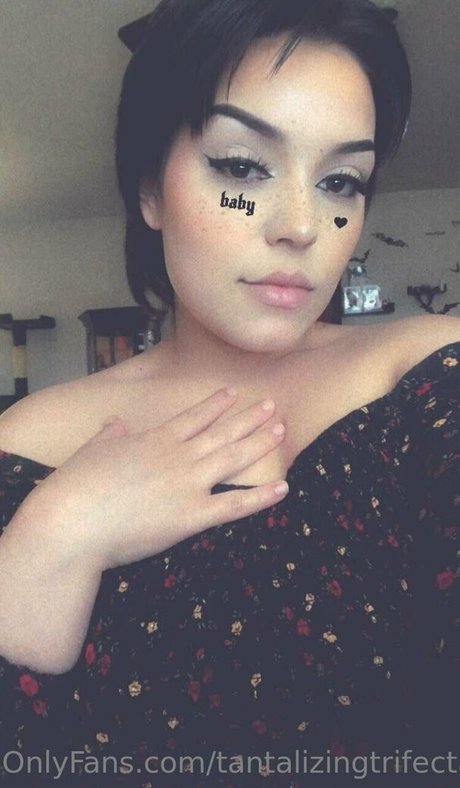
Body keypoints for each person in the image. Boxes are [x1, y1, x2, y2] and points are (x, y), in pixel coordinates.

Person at [0, 0, 459, 785]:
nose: (301, 225)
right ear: (150, 188)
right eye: (243, 168)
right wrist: (52, 537)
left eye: (341, 180)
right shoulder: (27, 440)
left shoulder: (431, 380)